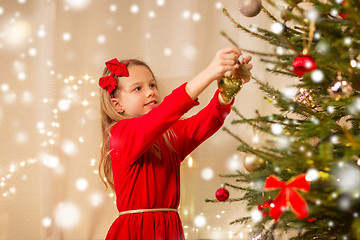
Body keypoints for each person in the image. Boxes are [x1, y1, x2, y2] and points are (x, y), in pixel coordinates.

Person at [98, 47, 252, 240]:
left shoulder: (168, 137)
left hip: (170, 231)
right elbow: (166, 112)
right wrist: (209, 73)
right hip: (136, 233)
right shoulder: (120, 134)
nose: (150, 92)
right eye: (138, 88)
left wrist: (228, 89)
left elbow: (206, 121)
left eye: (152, 85)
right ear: (117, 105)